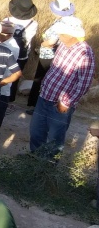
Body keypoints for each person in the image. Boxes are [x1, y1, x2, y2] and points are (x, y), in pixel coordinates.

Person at [29, 16, 95, 158]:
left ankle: (49, 168)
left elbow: (84, 83)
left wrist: (66, 102)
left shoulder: (85, 53)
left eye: (61, 33)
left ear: (71, 35)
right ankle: (34, 160)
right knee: (36, 131)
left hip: (60, 104)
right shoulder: (63, 45)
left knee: (54, 138)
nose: (59, 35)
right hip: (44, 95)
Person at [27, 0, 76, 115]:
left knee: (41, 79)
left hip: (49, 55)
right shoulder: (73, 20)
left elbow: (51, 42)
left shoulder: (61, 23)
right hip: (61, 55)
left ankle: (36, 106)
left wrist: (42, 45)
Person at [4, 0, 38, 102]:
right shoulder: (33, 24)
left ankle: (2, 97)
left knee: (4, 74)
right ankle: (11, 99)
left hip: (6, 51)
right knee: (15, 77)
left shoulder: (7, 20)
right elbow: (28, 40)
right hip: (22, 55)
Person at [0, 21, 20, 138]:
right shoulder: (0, 41)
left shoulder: (12, 48)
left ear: (8, 35)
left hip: (2, 85)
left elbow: (8, 70)